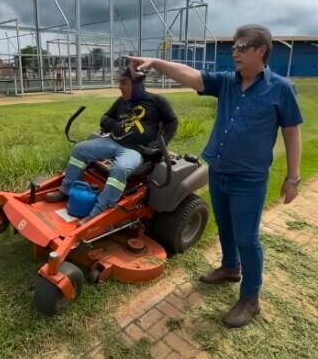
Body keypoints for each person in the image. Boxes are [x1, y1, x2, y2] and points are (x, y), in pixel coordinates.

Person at [126, 23, 303, 328]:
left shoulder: (281, 89)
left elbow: (292, 132)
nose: (234, 52)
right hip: (218, 171)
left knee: (247, 238)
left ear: (261, 51)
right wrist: (155, 63)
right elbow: (189, 74)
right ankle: (230, 268)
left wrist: (292, 177)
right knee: (225, 226)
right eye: (233, 47)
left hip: (249, 179)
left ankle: (251, 299)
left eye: (241, 47)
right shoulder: (227, 82)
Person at [44, 66, 178, 224]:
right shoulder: (121, 102)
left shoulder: (156, 101)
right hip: (113, 141)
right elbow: (105, 117)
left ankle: (99, 211)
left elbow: (172, 121)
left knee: (120, 168)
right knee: (80, 149)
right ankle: (65, 190)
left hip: (136, 150)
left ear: (136, 84)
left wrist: (162, 143)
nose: (119, 86)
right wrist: (113, 125)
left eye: (123, 83)